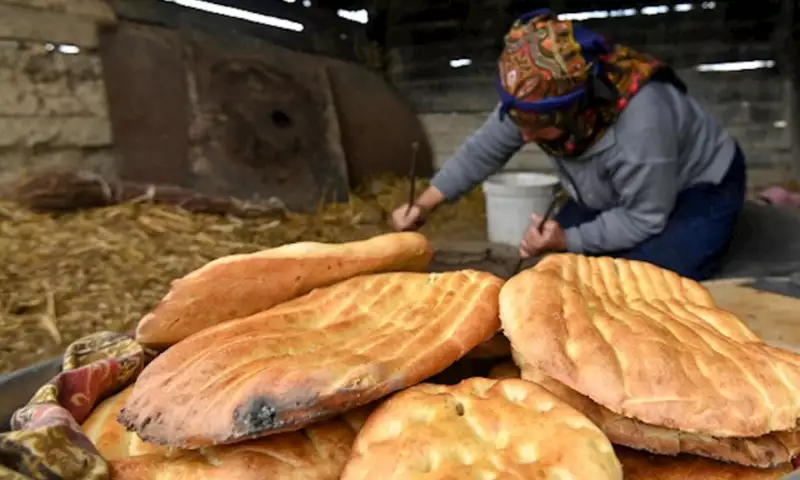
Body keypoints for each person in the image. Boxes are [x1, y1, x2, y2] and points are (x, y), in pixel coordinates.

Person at [390, 9, 746, 281]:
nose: (525, 138)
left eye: (537, 129)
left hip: (702, 184)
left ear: (576, 111)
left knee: (650, 276)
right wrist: (424, 204)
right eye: (519, 125)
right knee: (555, 268)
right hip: (617, 190)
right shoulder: (534, 96)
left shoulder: (641, 123)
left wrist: (568, 238)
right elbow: (483, 149)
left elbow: (643, 218)